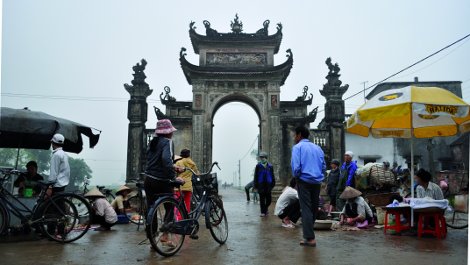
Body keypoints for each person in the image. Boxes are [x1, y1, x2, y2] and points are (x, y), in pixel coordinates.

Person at [291, 126, 326, 247]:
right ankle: (309, 235)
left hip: (304, 180)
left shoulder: (297, 147)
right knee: (314, 208)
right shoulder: (318, 148)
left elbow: (296, 167)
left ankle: (309, 238)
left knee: (305, 208)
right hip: (317, 181)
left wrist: (297, 176)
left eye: (295, 135)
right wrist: (319, 176)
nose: (294, 137)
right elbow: (323, 166)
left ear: (299, 135)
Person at [174, 148, 199, 213]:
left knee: (177, 204)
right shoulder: (193, 163)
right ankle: (186, 219)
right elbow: (197, 173)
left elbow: (175, 172)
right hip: (188, 186)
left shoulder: (179, 162)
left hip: (179, 185)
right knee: (187, 204)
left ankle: (179, 220)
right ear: (189, 155)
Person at [253, 151, 276, 217]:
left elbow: (272, 175)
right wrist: (255, 186)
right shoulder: (258, 166)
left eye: (263, 157)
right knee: (262, 199)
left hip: (268, 185)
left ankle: (265, 209)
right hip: (261, 184)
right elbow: (255, 176)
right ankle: (263, 212)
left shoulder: (270, 166)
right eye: (261, 157)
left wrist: (273, 183)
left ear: (266, 158)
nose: (262, 158)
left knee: (269, 200)